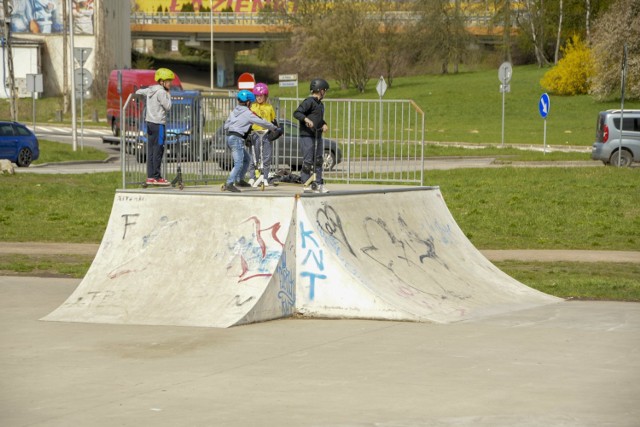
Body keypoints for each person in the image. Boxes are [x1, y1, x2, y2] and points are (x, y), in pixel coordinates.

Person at [223, 90, 279, 193]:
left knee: (247, 159)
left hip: (230, 138)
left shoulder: (234, 111)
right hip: (236, 139)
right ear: (248, 102)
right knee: (239, 163)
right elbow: (261, 122)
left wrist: (238, 126)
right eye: (251, 102)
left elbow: (226, 126)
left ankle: (239, 180)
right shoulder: (248, 113)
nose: (251, 104)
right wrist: (273, 128)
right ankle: (229, 183)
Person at [135, 68, 174, 186]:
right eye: (168, 81)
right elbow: (168, 107)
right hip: (159, 124)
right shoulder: (162, 92)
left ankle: (150, 176)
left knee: (151, 150)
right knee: (159, 149)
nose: (170, 83)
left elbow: (138, 92)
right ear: (161, 81)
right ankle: (157, 177)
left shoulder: (150, 90)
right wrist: (168, 95)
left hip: (150, 123)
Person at [293, 78, 330, 193]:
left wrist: (324, 124)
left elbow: (319, 119)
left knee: (318, 160)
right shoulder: (309, 101)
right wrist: (306, 119)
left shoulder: (321, 105)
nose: (325, 92)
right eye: (324, 90)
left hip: (317, 134)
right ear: (319, 90)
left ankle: (318, 183)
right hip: (307, 135)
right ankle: (306, 183)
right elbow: (297, 113)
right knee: (308, 160)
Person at [248, 83, 278, 187]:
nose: (259, 98)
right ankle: (252, 177)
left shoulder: (269, 107)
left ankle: (265, 178)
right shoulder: (252, 106)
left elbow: (273, 121)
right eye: (257, 96)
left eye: (261, 95)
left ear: (265, 96)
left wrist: (276, 130)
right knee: (254, 157)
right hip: (255, 134)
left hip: (266, 135)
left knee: (266, 157)